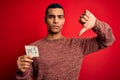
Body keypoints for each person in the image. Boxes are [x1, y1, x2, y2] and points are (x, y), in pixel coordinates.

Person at [16, 3, 115, 80]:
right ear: (45, 20)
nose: (56, 21)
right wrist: (22, 72)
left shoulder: (78, 45)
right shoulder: (33, 47)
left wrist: (96, 24)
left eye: (59, 17)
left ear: (63, 20)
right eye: (51, 17)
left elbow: (108, 40)